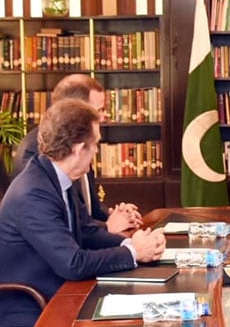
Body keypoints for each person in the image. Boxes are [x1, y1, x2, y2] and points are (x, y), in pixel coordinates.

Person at [0, 99, 166, 327]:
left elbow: (86, 231)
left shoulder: (54, 176)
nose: (97, 151)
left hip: (66, 290)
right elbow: (73, 263)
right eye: (96, 144)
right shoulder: (33, 194)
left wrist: (131, 243)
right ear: (78, 149)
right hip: (34, 305)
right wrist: (134, 253)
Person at [12, 73, 142, 234]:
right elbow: (58, 224)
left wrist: (114, 214)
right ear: (74, 109)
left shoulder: (79, 139)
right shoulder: (37, 150)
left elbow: (87, 207)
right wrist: (109, 227)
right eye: (98, 110)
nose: (102, 117)